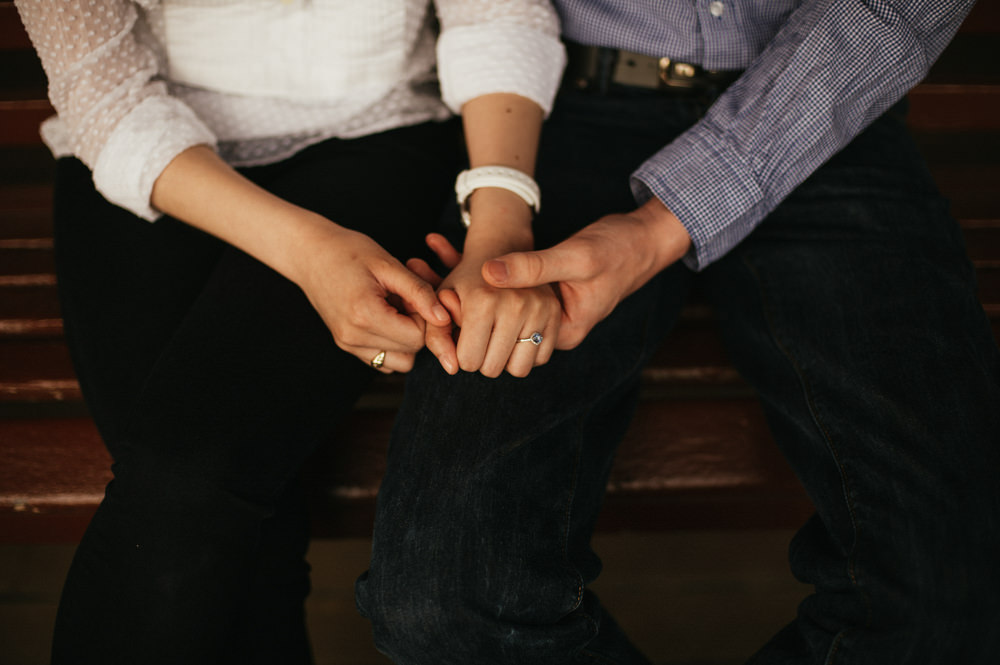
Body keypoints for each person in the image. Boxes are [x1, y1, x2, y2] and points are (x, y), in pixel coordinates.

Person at [357, 0, 1000, 663]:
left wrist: (664, 224)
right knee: (443, 599)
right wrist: (500, 203)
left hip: (823, 106)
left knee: (955, 589)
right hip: (549, 113)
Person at [14, 0, 566, 662]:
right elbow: (101, 96)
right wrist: (310, 254)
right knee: (217, 511)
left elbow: (496, 15)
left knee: (192, 479)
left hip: (377, 135)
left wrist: (500, 227)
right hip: (145, 156)